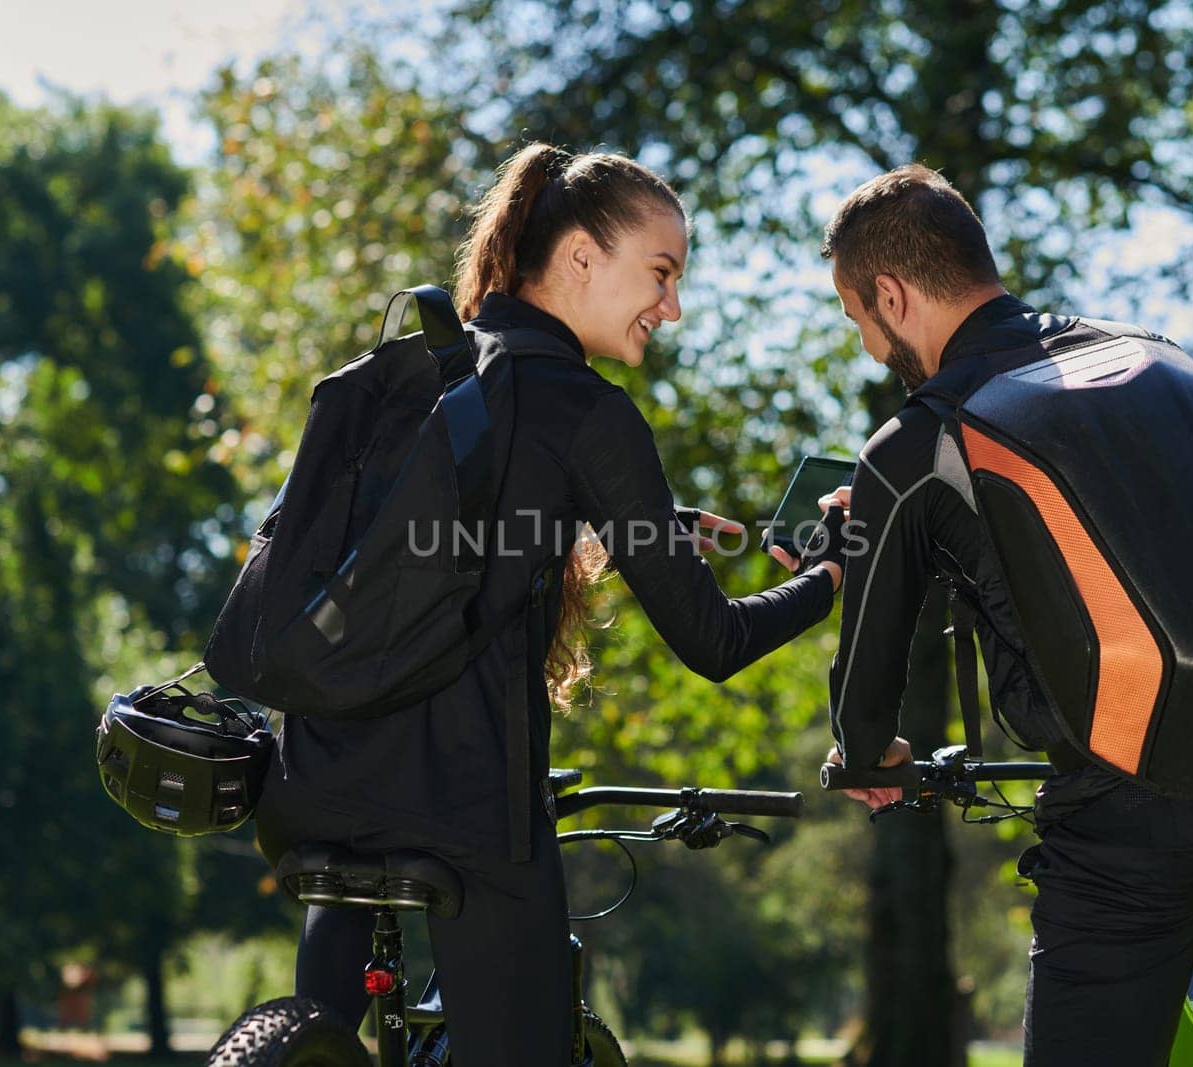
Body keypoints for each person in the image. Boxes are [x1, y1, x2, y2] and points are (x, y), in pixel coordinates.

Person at [251, 144, 843, 1066]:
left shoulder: (415, 370)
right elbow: (714, 640)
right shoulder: (586, 412)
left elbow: (438, 548)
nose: (672, 306)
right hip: (469, 813)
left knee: (312, 1039)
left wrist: (642, 525)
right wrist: (829, 578)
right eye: (660, 272)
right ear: (578, 259)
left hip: (315, 785)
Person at [812, 163, 1193, 1065]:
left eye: (858, 318)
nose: (867, 344)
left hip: (1131, 829)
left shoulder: (914, 443)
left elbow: (866, 681)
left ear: (890, 294)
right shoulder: (1166, 357)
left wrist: (864, 757)